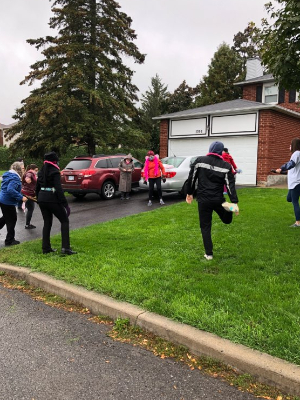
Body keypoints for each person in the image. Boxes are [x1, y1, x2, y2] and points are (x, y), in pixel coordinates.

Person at [186, 141, 239, 260]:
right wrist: (234, 203)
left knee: (205, 227)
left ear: (210, 149)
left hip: (203, 200)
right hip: (217, 199)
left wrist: (189, 193)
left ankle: (209, 254)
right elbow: (230, 186)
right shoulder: (226, 166)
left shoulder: (199, 161)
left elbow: (192, 178)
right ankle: (208, 253)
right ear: (221, 152)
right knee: (227, 220)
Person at [36, 151, 76, 255]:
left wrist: (38, 199)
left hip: (42, 198)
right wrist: (65, 204)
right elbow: (59, 189)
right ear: (55, 161)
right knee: (64, 221)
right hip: (52, 198)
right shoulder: (55, 172)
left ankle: (46, 248)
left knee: (47, 222)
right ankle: (65, 248)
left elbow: (37, 188)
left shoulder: (40, 172)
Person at [272, 137, 300, 227]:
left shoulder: (296, 153)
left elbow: (291, 164)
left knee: (295, 202)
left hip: (296, 182)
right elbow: (292, 169)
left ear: (294, 145)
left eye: (290, 144)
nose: (289, 146)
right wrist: (279, 172)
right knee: (289, 198)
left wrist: (281, 168)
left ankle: (298, 222)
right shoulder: (297, 154)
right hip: (294, 183)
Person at [0, 162, 28, 246]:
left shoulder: (8, 175)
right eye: (23, 168)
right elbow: (10, 189)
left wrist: (21, 194)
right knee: (12, 220)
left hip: (3, 199)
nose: (24, 170)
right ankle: (9, 240)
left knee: (6, 217)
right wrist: (21, 197)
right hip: (7, 202)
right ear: (19, 169)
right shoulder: (15, 177)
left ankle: (9, 239)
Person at [21, 164, 38, 229]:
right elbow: (28, 177)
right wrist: (28, 179)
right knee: (30, 209)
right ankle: (27, 224)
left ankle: (28, 224)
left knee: (30, 208)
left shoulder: (28, 172)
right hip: (28, 194)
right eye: (36, 170)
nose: (36, 172)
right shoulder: (30, 173)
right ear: (32, 169)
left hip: (25, 192)